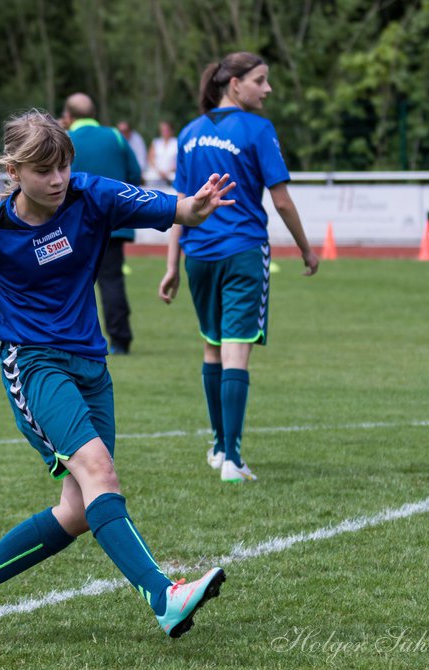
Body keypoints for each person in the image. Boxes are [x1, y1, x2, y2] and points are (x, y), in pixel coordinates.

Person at [0, 108, 235, 649]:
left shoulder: (92, 196)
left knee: (78, 508)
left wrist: (197, 207)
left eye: (64, 166)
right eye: (45, 170)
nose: (58, 179)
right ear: (15, 171)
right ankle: (164, 598)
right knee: (99, 472)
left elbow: (178, 208)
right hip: (33, 363)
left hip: (91, 365)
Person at [158, 51, 319, 484]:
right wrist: (306, 248)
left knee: (212, 347)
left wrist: (172, 265)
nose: (267, 89)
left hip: (198, 255)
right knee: (236, 350)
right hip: (243, 251)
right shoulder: (258, 129)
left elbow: (182, 205)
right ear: (234, 85)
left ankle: (217, 447)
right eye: (260, 80)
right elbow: (281, 199)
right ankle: (232, 458)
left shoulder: (190, 133)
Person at [62, 93, 142, 355]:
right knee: (112, 282)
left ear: (69, 116)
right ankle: (120, 340)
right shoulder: (116, 136)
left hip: (73, 227)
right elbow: (135, 175)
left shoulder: (63, 140)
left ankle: (69, 338)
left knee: (68, 282)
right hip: (113, 224)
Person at [148, 120, 178, 185]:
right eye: (162, 130)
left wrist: (168, 172)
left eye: (166, 130)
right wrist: (159, 171)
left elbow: (179, 160)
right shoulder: (156, 142)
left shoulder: (176, 142)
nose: (164, 132)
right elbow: (150, 158)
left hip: (171, 176)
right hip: (155, 175)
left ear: (171, 130)